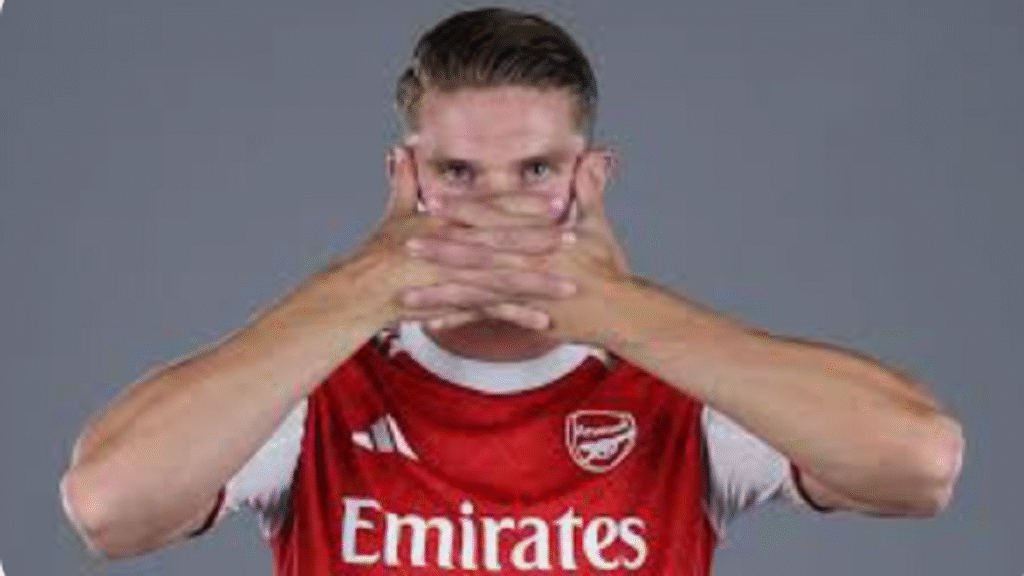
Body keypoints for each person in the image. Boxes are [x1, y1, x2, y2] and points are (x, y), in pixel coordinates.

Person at [59, 7, 965, 575]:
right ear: (407, 180)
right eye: (458, 172)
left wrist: (617, 307)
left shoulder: (680, 391)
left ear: (591, 180)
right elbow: (107, 507)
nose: (497, 206)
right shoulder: (317, 391)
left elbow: (920, 463)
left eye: (536, 170)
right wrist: (365, 288)